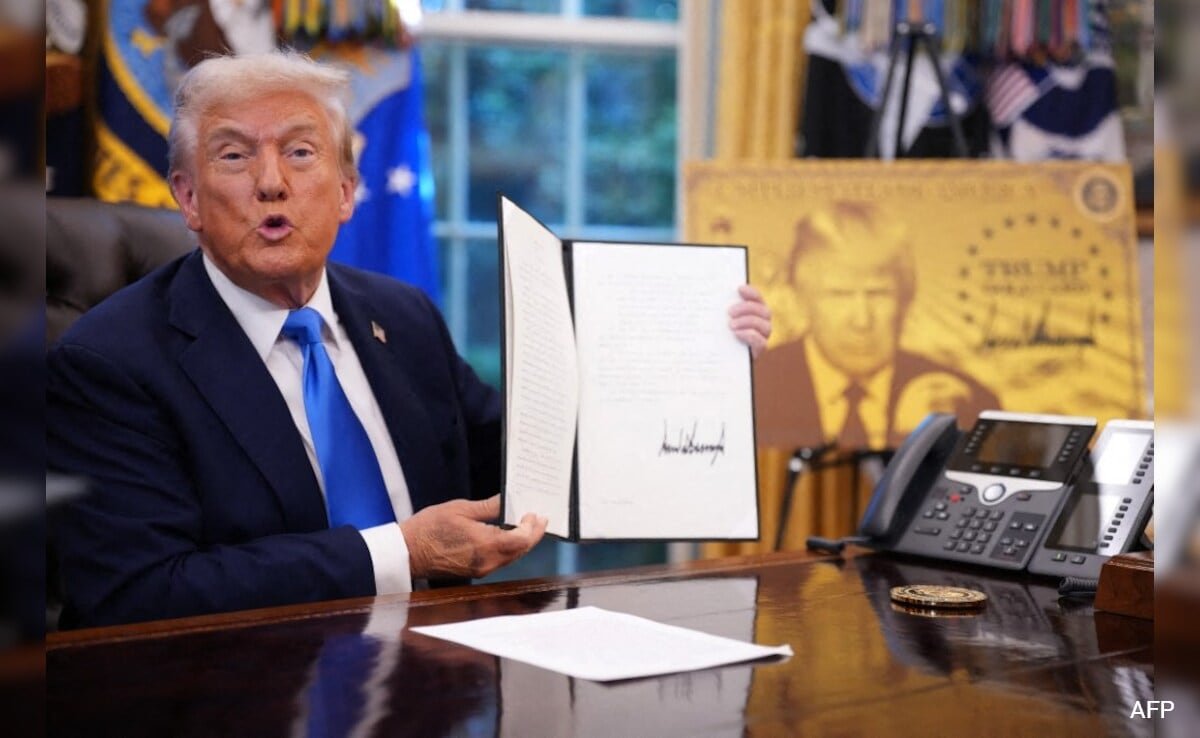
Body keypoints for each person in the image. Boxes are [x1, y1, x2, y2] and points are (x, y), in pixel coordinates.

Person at [47, 51, 773, 628]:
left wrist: (701, 363)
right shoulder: (108, 362)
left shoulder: (403, 315)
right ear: (188, 198)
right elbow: (137, 593)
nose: (271, 182)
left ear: (345, 191)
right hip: (238, 693)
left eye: (300, 153)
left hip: (434, 674)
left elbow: (536, 465)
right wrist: (403, 552)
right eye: (234, 157)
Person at [754, 201, 998, 451]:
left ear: (906, 300)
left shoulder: (971, 404)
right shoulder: (753, 388)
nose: (862, 320)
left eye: (878, 293)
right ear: (801, 300)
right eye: (839, 294)